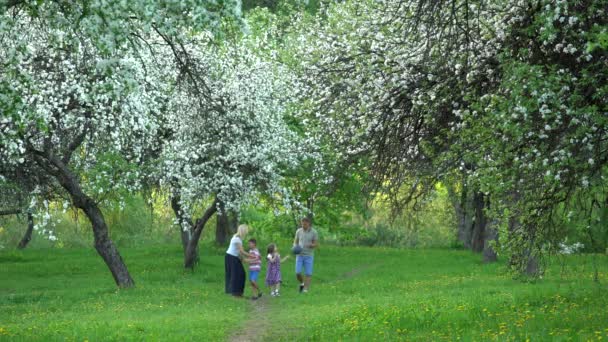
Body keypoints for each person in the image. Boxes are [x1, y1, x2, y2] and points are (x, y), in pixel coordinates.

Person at [225, 224, 252, 297]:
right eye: (246, 231)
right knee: (236, 275)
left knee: (241, 274)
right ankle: (235, 293)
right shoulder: (236, 239)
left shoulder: (238, 238)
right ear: (243, 231)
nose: (247, 233)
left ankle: (239, 293)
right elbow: (242, 251)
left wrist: (243, 259)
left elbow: (239, 252)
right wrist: (252, 256)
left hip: (234, 257)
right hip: (231, 258)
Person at [293, 217, 318, 293]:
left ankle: (306, 289)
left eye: (305, 224)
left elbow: (316, 244)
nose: (303, 225)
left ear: (308, 223)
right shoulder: (298, 231)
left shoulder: (314, 232)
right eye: (302, 223)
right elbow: (295, 242)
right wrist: (295, 247)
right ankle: (302, 283)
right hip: (299, 255)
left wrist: (311, 245)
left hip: (309, 255)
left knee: (308, 273)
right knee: (297, 272)